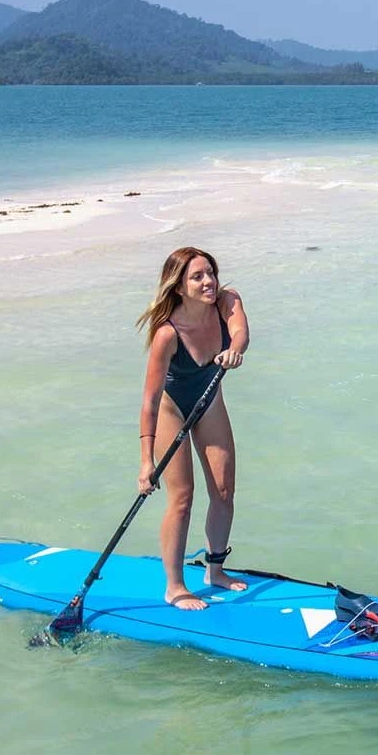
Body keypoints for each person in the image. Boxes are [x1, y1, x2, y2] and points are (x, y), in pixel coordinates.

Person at [136, 247, 250, 610]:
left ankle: (215, 571)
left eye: (210, 273)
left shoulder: (227, 302)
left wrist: (234, 350)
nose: (208, 282)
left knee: (224, 491)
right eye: (197, 277)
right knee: (182, 496)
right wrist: (146, 462)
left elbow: (240, 333)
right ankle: (174, 587)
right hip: (171, 409)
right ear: (178, 287)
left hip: (209, 401)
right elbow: (150, 401)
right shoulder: (167, 334)